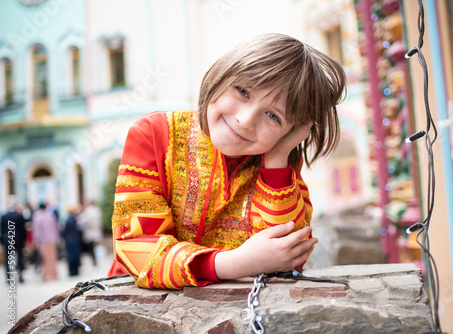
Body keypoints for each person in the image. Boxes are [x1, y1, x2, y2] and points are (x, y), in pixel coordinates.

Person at [108, 33, 346, 289]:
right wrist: (236, 263)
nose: (245, 120)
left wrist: (278, 155)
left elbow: (288, 255)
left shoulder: (275, 161)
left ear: (292, 131)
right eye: (243, 91)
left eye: (273, 116)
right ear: (218, 77)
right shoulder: (153, 134)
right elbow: (137, 246)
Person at [32, 203, 59, 282]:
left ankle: (47, 276)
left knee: (45, 259)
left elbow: (37, 231)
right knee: (52, 258)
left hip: (43, 241)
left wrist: (36, 241)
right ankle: (54, 275)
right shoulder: (50, 216)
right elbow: (55, 228)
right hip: (52, 240)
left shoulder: (37, 217)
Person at [1, 202, 27, 282]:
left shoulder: (4, 216)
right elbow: (23, 229)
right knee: (19, 257)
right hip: (18, 240)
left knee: (8, 259)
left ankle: (8, 276)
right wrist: (24, 239)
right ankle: (20, 275)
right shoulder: (19, 216)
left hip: (7, 239)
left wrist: (2, 240)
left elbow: (2, 229)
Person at [78, 201, 103, 266]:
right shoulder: (97, 210)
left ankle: (94, 261)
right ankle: (95, 261)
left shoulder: (89, 211)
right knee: (93, 247)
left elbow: (82, 220)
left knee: (91, 248)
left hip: (90, 232)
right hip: (95, 231)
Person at [62, 207, 82, 276]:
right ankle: (76, 270)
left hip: (70, 240)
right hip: (75, 239)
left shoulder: (69, 220)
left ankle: (72, 271)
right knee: (75, 255)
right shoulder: (75, 219)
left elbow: (65, 231)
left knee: (71, 256)